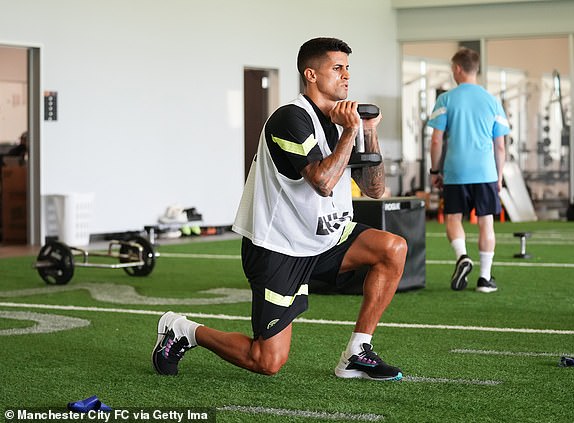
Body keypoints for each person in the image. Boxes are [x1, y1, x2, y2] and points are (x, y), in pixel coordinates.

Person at [152, 37, 407, 381]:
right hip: (279, 247)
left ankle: (357, 353)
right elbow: (324, 181)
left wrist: (369, 133)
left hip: (325, 239)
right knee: (266, 361)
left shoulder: (342, 122)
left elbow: (375, 190)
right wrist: (350, 132)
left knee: (393, 248)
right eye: (337, 68)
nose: (346, 75)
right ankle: (183, 330)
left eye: (348, 68)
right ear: (311, 74)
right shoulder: (291, 118)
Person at [428, 47, 509, 294]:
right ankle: (485, 279)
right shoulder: (492, 101)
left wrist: (434, 171)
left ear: (457, 69)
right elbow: (501, 146)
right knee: (486, 224)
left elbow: (436, 141)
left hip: (456, 172)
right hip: (485, 173)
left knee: (453, 218)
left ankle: (462, 256)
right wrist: (499, 177)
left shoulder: (446, 100)